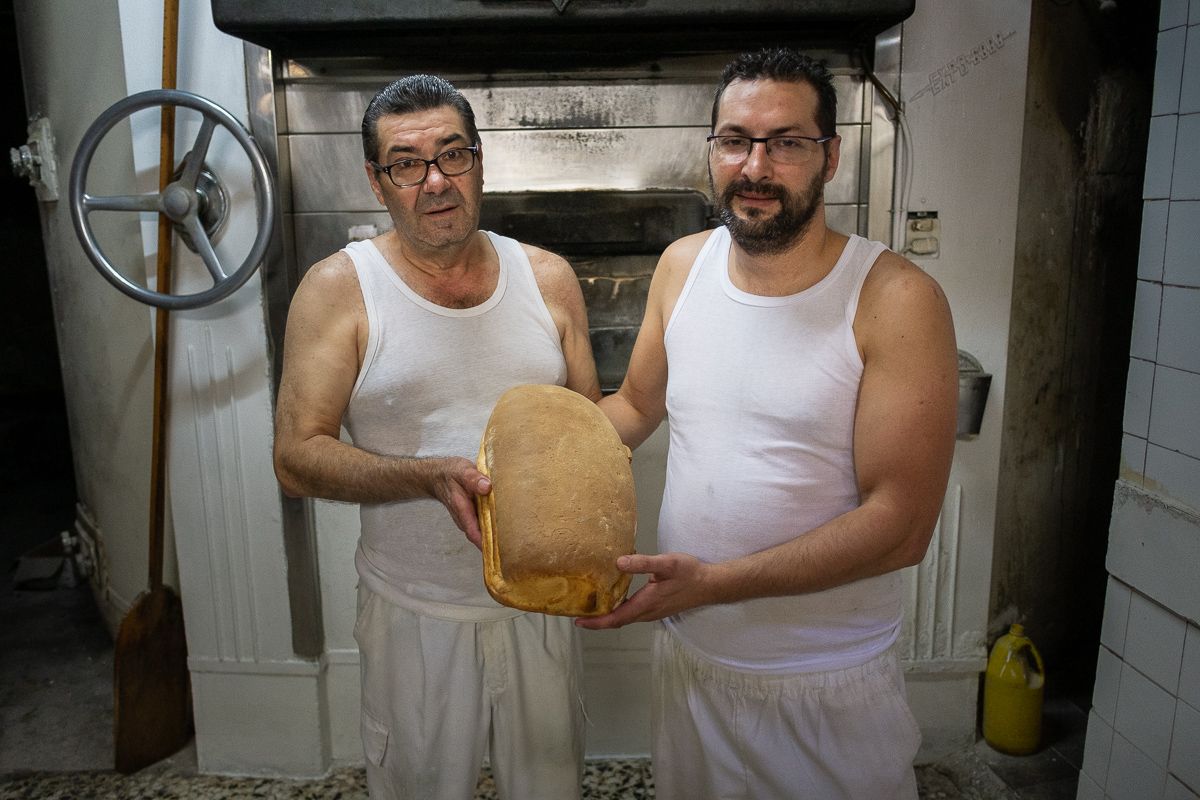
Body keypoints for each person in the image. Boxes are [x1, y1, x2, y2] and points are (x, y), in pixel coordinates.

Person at [577, 48, 959, 799]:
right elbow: (634, 406)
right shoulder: (683, 265)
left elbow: (902, 526)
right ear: (712, 150)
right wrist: (523, 461)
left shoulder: (895, 299)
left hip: (821, 683)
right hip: (692, 663)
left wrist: (714, 583)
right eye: (734, 140)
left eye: (786, 143)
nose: (755, 166)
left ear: (831, 157)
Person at [272, 74, 601, 800]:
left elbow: (590, 429)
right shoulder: (339, 289)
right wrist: (423, 476)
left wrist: (599, 558)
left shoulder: (547, 278)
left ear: (480, 162)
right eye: (406, 162)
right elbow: (296, 459)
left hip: (539, 604)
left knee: (551, 787)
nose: (435, 181)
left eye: (452, 155)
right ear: (376, 179)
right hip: (413, 610)